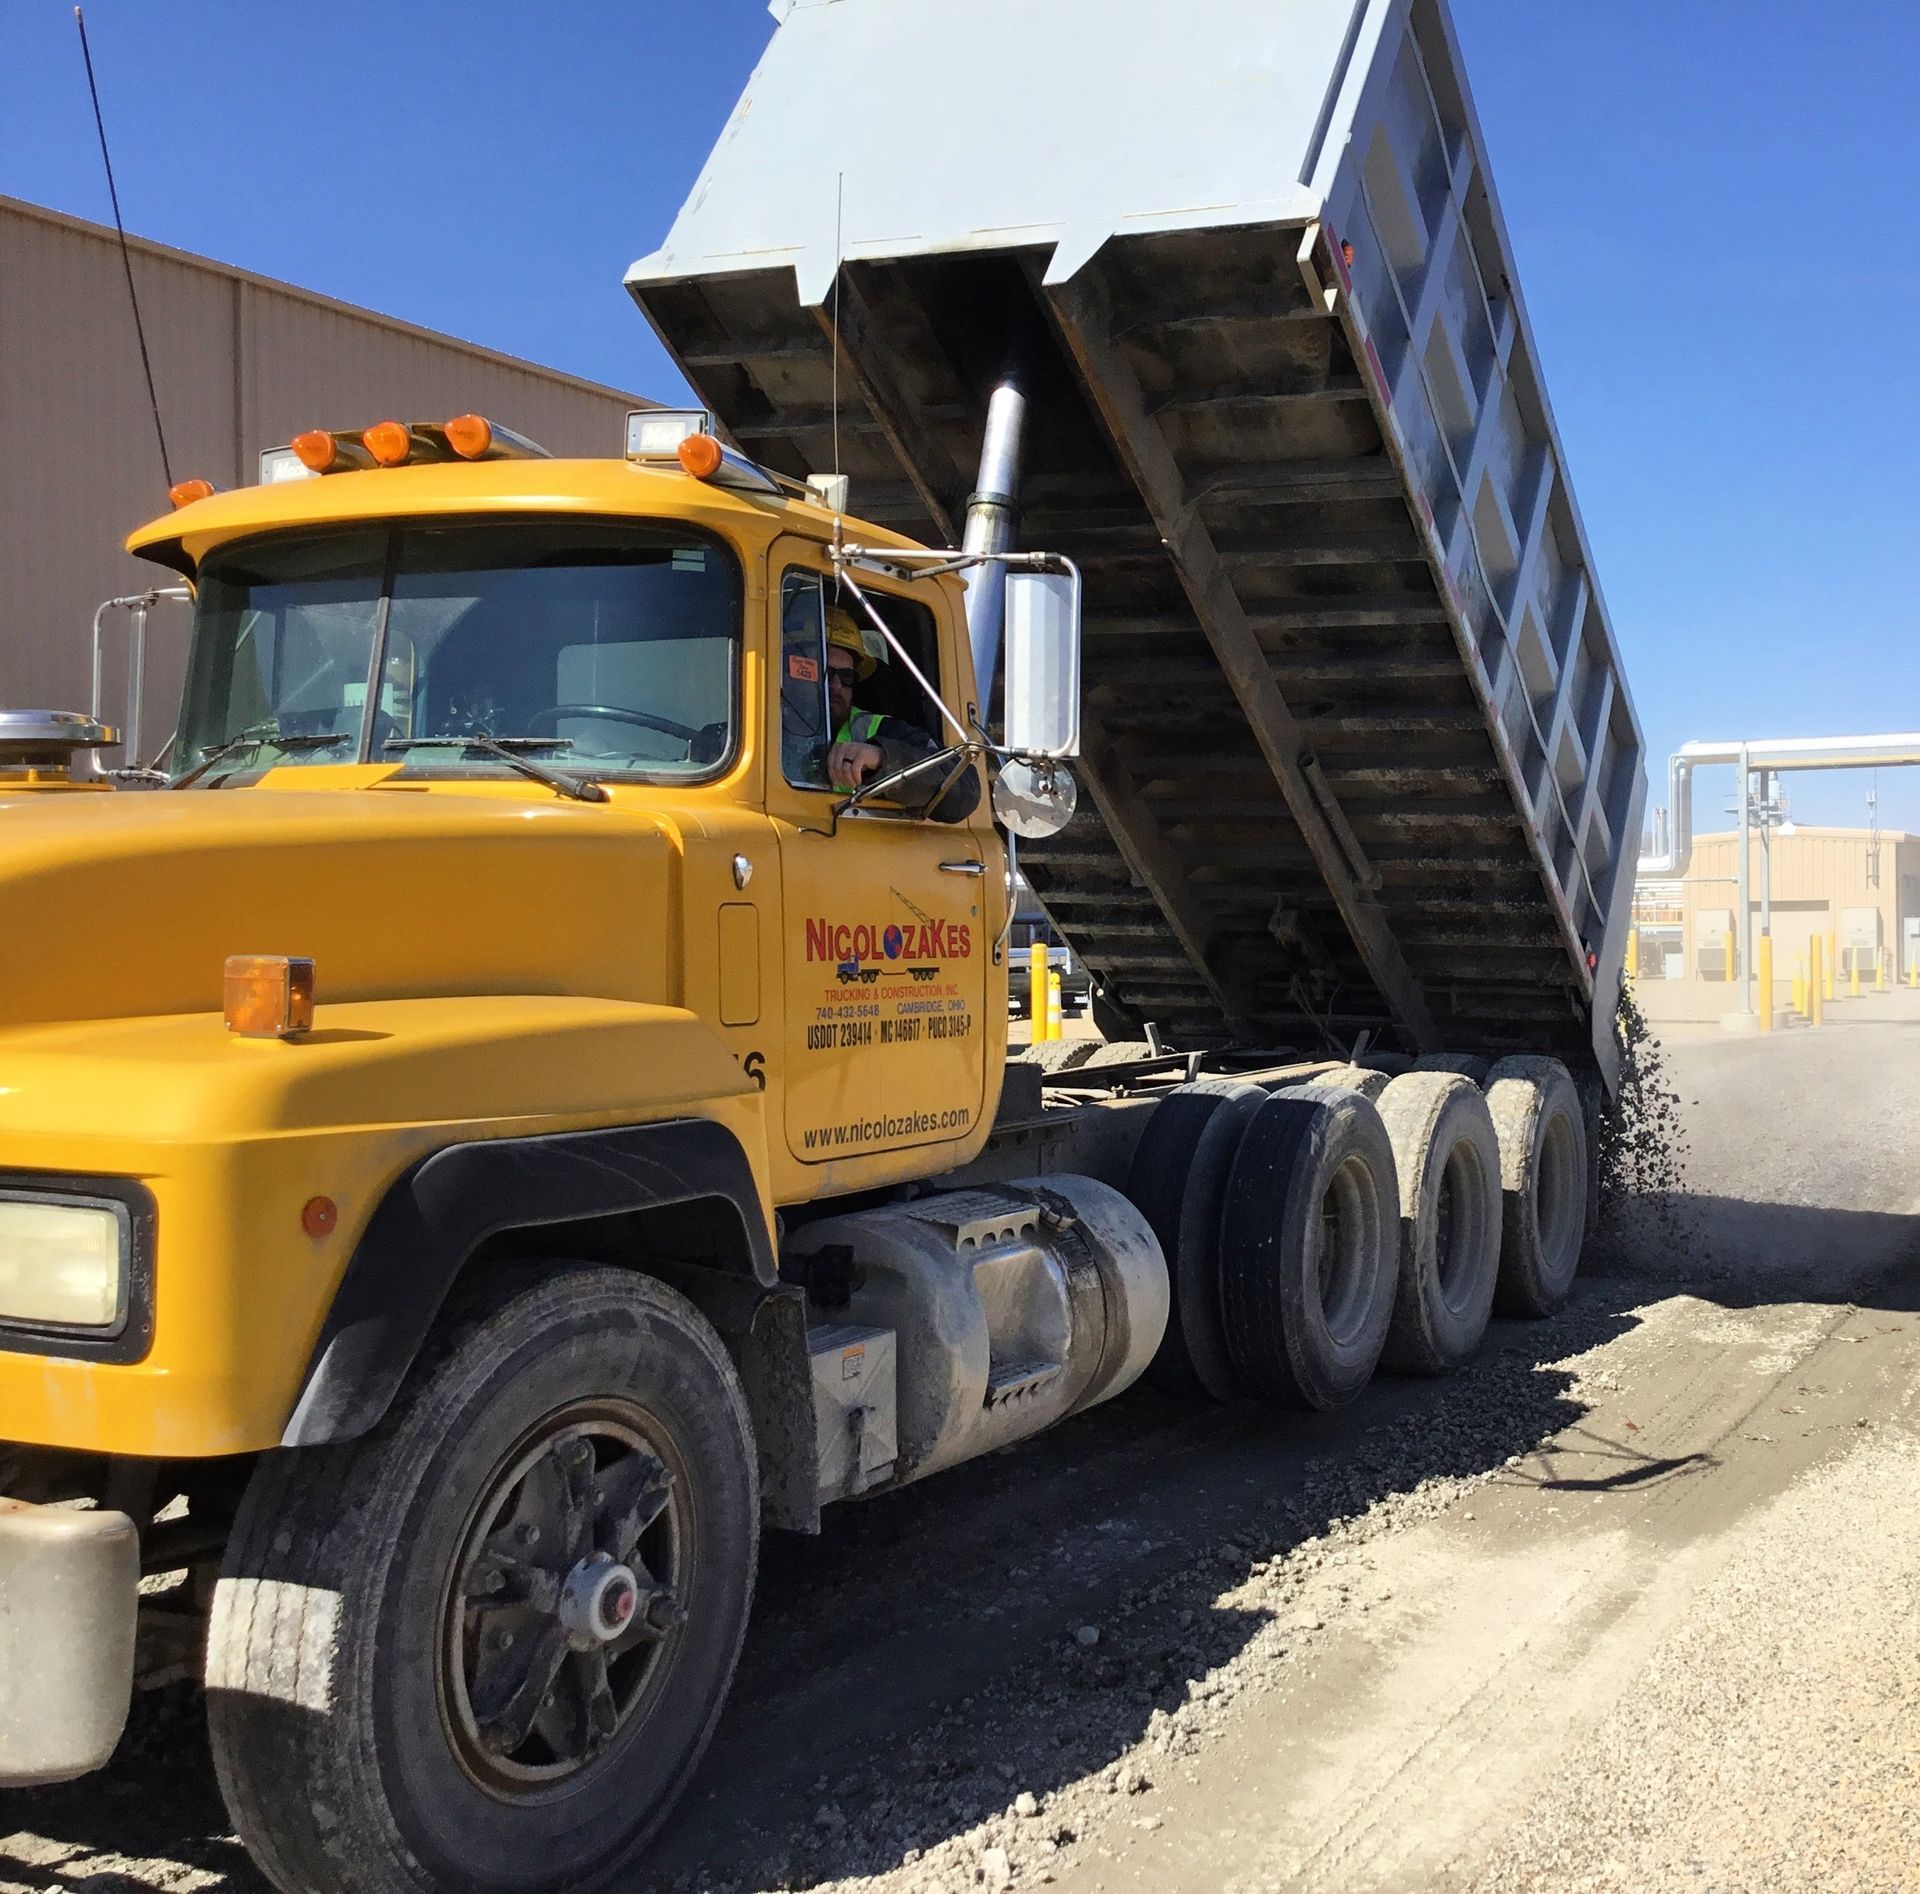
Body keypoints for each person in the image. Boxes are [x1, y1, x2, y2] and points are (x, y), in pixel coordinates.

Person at [818, 605, 978, 823]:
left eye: (847, 677)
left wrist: (884, 759)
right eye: (826, 673)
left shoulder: (875, 728)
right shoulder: (760, 722)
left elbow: (965, 790)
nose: (836, 685)